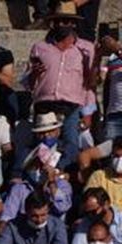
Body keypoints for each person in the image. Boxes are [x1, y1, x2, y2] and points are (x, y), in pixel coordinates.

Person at [26, 2, 96, 164]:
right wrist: (35, 73)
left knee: (71, 146)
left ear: (73, 23)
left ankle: (60, 174)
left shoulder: (86, 49)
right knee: (42, 147)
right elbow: (29, 83)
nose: (61, 25)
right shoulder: (39, 47)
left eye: (66, 21)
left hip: (71, 106)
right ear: (52, 23)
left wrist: (88, 112)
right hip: (45, 104)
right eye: (58, 21)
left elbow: (88, 84)